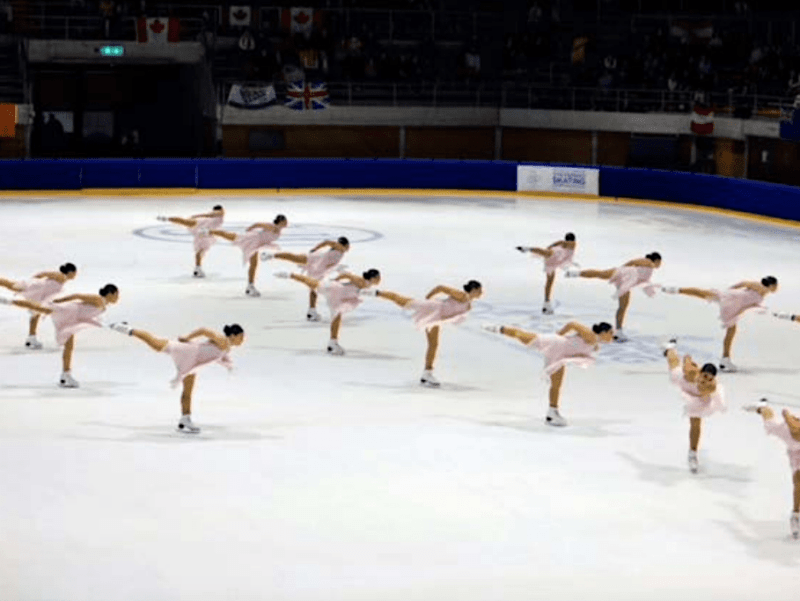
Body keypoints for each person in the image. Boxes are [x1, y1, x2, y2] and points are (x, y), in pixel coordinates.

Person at [108, 322, 245, 434]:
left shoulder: (226, 346)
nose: (243, 340)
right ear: (233, 335)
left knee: (188, 390)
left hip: (191, 362)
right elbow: (204, 330)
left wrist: (229, 366)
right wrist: (187, 337)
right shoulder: (223, 340)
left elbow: (218, 356)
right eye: (241, 336)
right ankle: (128, 329)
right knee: (156, 344)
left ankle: (185, 418)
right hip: (186, 351)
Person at [481, 320, 613, 426]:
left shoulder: (595, 344)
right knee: (522, 335)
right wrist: (559, 334)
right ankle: (497, 328)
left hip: (559, 355)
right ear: (604, 332)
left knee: (556, 384)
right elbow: (572, 324)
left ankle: (552, 413)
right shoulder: (590, 335)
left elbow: (579, 349)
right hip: (554, 343)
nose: (612, 336)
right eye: (611, 333)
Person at [363, 280, 483, 387]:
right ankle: (375, 293)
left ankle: (427, 373)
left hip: (436, 317)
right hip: (432, 308)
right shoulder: (462, 296)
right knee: (402, 301)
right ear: (474, 290)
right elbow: (440, 287)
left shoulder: (468, 305)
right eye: (479, 290)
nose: (481, 292)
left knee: (434, 344)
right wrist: (428, 298)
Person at [1, 284, 120, 388]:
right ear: (110, 293)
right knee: (39, 308)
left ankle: (66, 375)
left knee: (69, 346)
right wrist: (59, 301)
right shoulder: (98, 299)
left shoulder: (103, 305)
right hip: (68, 311)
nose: (117, 298)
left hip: (71, 319)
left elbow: (90, 315)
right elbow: (77, 295)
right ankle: (6, 300)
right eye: (116, 295)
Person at [662, 276, 778, 372]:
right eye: (776, 285)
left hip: (733, 302)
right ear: (771, 285)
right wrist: (731, 292)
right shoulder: (761, 288)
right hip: (732, 301)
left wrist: (731, 295)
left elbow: (747, 300)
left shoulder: (761, 292)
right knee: (730, 330)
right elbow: (744, 284)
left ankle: (675, 290)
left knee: (703, 294)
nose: (777, 288)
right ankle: (725, 358)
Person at [275, 268, 380, 355]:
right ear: (373, 277)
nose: (380, 279)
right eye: (378, 277)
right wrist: (336, 279)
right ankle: (333, 343)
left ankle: (289, 275)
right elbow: (347, 275)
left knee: (314, 285)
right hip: (337, 291)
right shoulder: (362, 281)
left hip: (337, 296)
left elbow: (348, 277)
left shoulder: (366, 284)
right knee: (335, 315)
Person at [565, 252, 662, 342]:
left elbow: (642, 282)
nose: (660, 264)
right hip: (622, 274)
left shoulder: (650, 270)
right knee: (600, 274)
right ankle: (574, 273)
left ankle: (619, 332)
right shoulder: (649, 262)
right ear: (656, 260)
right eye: (660, 262)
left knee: (622, 306)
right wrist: (622, 269)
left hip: (625, 282)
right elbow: (633, 262)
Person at [662, 339, 724, 473]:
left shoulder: (711, 387)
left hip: (696, 398)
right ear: (701, 372)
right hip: (684, 383)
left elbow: (709, 394)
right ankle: (670, 348)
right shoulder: (691, 372)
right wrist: (688, 360)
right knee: (673, 363)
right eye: (705, 376)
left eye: (709, 379)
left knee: (696, 423)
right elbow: (686, 361)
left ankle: (692, 453)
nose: (705, 380)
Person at [743, 399, 800, 539]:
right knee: (798, 482)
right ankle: (796, 515)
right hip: (797, 456)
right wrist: (763, 409)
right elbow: (770, 416)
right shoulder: (783, 429)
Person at [262, 236, 350, 321]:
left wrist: (337, 268)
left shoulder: (339, 252)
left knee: (294, 258)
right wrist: (315, 249)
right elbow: (327, 242)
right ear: (345, 245)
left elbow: (331, 259)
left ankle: (271, 255)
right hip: (319, 263)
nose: (349, 247)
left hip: (319, 262)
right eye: (348, 245)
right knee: (313, 286)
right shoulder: (341, 248)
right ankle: (311, 310)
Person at [0, 263, 77, 349]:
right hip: (35, 288)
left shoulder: (63, 280)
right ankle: (31, 337)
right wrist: (32, 282)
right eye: (75, 272)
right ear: (70, 272)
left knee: (36, 314)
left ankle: (31, 338)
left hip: (39, 295)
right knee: (11, 285)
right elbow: (42, 274)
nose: (76, 274)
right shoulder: (61, 276)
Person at [209, 214, 288, 297]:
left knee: (253, 264)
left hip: (257, 243)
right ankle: (209, 231)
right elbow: (258, 224)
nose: (286, 223)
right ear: (281, 222)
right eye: (285, 221)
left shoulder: (278, 231)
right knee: (233, 237)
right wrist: (250, 229)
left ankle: (250, 286)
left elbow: (267, 238)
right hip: (253, 239)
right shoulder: (272, 227)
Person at [516, 232, 577, 314]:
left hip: (552, 261)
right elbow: (559, 247)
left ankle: (546, 304)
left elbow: (552, 246)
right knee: (549, 280)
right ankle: (546, 303)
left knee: (549, 282)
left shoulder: (562, 243)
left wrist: (550, 248)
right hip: (554, 259)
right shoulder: (571, 244)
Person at [157, 205, 225, 278]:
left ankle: (167, 219)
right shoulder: (220, 213)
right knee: (201, 250)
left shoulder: (213, 215)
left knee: (184, 222)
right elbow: (214, 214)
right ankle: (198, 268)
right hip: (206, 229)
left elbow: (210, 214)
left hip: (203, 226)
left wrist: (197, 216)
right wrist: (199, 216)